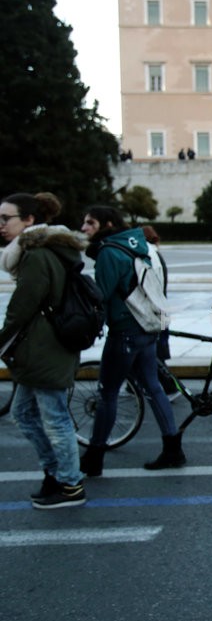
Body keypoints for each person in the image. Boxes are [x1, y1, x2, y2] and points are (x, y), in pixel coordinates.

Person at [78, 207, 184, 476]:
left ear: (107, 224)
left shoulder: (109, 252)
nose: (84, 228)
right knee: (153, 386)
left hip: (124, 329)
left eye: (90, 222)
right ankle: (172, 448)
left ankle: (94, 456)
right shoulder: (141, 246)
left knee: (108, 393)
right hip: (147, 327)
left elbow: (102, 295)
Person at [0, 192, 87, 509]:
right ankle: (56, 472)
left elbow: (22, 307)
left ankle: (70, 485)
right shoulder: (47, 250)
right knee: (23, 413)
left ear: (29, 220)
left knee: (55, 419)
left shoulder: (37, 255)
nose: (1, 225)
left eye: (6, 218)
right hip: (41, 348)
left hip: (46, 349)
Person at [141, 225, 177, 395]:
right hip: (162, 309)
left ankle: (170, 387)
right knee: (155, 352)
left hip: (157, 310)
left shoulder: (150, 256)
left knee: (156, 354)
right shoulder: (156, 255)